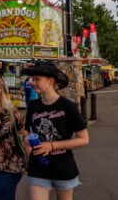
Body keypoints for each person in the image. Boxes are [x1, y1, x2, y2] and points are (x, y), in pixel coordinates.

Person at [22, 61, 89, 199]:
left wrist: (52, 146)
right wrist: (28, 145)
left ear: (51, 81)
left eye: (37, 79)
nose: (32, 82)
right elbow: (27, 132)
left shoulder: (68, 106)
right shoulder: (33, 106)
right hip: (38, 168)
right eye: (32, 79)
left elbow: (84, 139)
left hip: (63, 167)